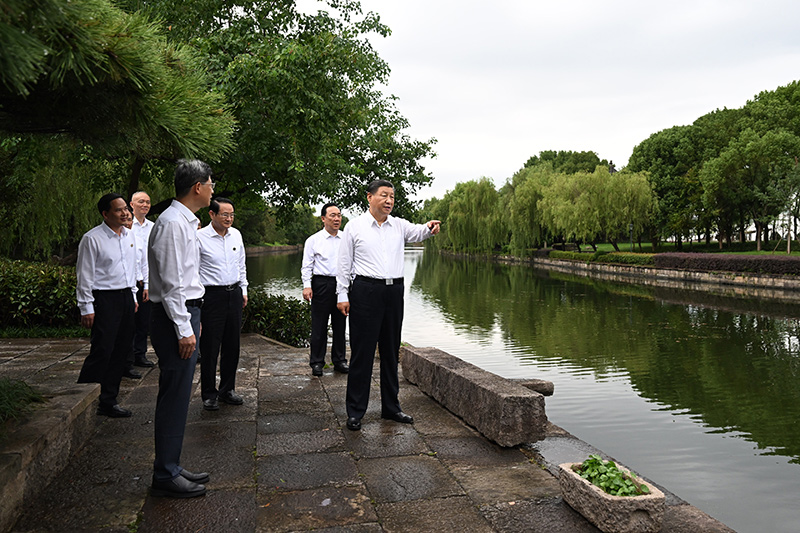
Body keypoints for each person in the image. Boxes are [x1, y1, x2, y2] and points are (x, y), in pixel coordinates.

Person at [336, 180, 440, 431]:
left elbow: (418, 232)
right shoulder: (355, 227)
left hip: (394, 291)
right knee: (362, 352)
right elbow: (344, 263)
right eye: (384, 195)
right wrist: (342, 294)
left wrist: (429, 228)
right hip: (365, 290)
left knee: (391, 350)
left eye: (392, 196)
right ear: (369, 197)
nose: (389, 200)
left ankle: (391, 407)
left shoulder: (399, 225)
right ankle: (355, 411)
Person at [147, 159, 214, 498]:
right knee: (174, 394)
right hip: (175, 313)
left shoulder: (184, 221)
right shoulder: (173, 223)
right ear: (197, 187)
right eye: (211, 184)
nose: (213, 190)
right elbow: (172, 284)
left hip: (186, 312)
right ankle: (165, 473)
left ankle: (171, 464)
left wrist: (191, 321)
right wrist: (184, 327)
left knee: (179, 393)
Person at [76, 193, 138, 418]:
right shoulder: (92, 239)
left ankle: (108, 401)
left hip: (125, 297)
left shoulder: (129, 236)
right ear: (105, 214)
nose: (125, 213)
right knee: (102, 349)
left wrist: (133, 296)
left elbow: (131, 268)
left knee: (121, 350)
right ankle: (81, 397)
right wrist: (86, 307)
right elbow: (85, 275)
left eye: (126, 208)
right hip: (104, 299)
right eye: (119, 210)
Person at [198, 197, 248, 411]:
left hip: (234, 293)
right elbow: (193, 270)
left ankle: (227, 389)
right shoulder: (199, 237)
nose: (229, 218)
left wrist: (244, 290)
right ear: (212, 214)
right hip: (211, 296)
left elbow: (241, 264)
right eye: (224, 214)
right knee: (210, 346)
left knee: (232, 345)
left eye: (232, 214)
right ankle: (209, 393)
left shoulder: (236, 234)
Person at [301, 202, 348, 377]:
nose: (337, 219)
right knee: (319, 325)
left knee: (340, 325)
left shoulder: (346, 239)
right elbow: (307, 265)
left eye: (339, 215)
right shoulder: (314, 240)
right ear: (323, 218)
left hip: (342, 284)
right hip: (321, 284)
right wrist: (307, 285)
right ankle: (317, 362)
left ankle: (340, 360)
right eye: (332, 215)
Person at [130, 191, 156, 369]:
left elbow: (150, 257)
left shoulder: (153, 227)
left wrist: (147, 284)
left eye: (147, 202)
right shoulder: (126, 226)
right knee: (129, 322)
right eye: (141, 202)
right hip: (128, 282)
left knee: (143, 321)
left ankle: (140, 354)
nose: (145, 205)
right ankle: (127, 358)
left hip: (146, 282)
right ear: (132, 205)